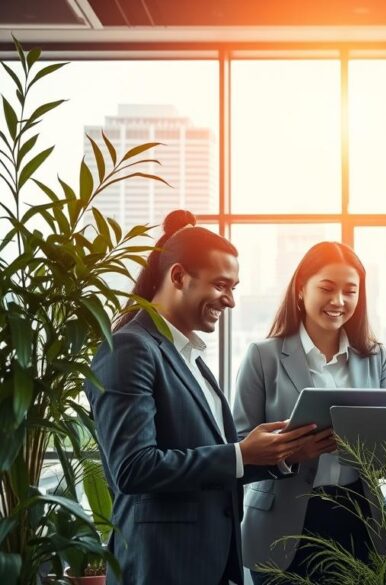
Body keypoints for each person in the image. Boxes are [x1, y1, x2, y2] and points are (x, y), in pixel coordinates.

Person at [87, 210, 316, 585]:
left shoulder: (189, 356)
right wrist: (242, 453)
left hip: (208, 561)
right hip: (162, 564)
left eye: (234, 288)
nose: (230, 301)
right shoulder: (131, 348)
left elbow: (206, 458)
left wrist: (280, 453)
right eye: (221, 285)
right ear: (178, 276)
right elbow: (133, 467)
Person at [232, 241, 386, 584]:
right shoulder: (263, 356)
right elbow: (240, 442)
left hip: (356, 516)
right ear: (301, 290)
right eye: (327, 288)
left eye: (350, 291)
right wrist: (289, 454)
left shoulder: (374, 356)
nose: (339, 301)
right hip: (282, 521)